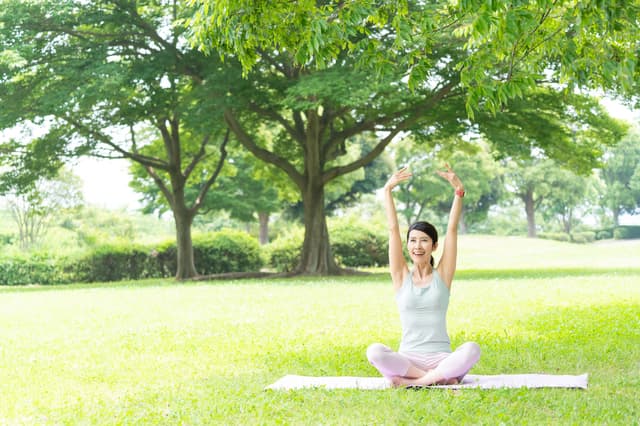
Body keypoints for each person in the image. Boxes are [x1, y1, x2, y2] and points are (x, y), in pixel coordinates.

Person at [366, 164, 480, 387]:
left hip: (441, 357)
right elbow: (392, 229)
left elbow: (452, 230)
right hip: (408, 359)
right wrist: (387, 191)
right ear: (407, 245)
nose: (418, 245)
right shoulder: (400, 277)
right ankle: (437, 379)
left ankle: (412, 382)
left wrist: (459, 192)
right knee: (375, 351)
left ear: (434, 246)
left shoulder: (443, 276)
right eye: (413, 240)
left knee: (472, 349)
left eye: (424, 240)